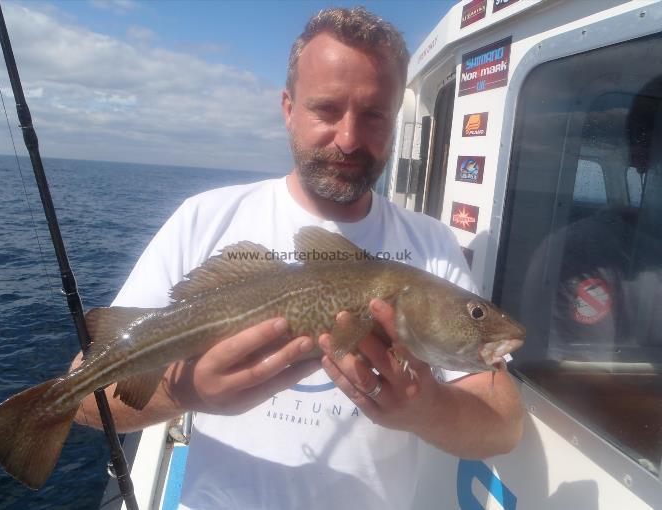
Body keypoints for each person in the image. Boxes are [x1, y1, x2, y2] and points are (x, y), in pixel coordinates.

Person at [73, 7, 523, 509]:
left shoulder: (431, 246)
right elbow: (86, 401)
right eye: (326, 109)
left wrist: (427, 408)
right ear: (288, 108)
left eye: (373, 114)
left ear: (395, 119)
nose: (349, 138)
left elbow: (503, 427)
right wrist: (187, 394)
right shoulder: (204, 218)